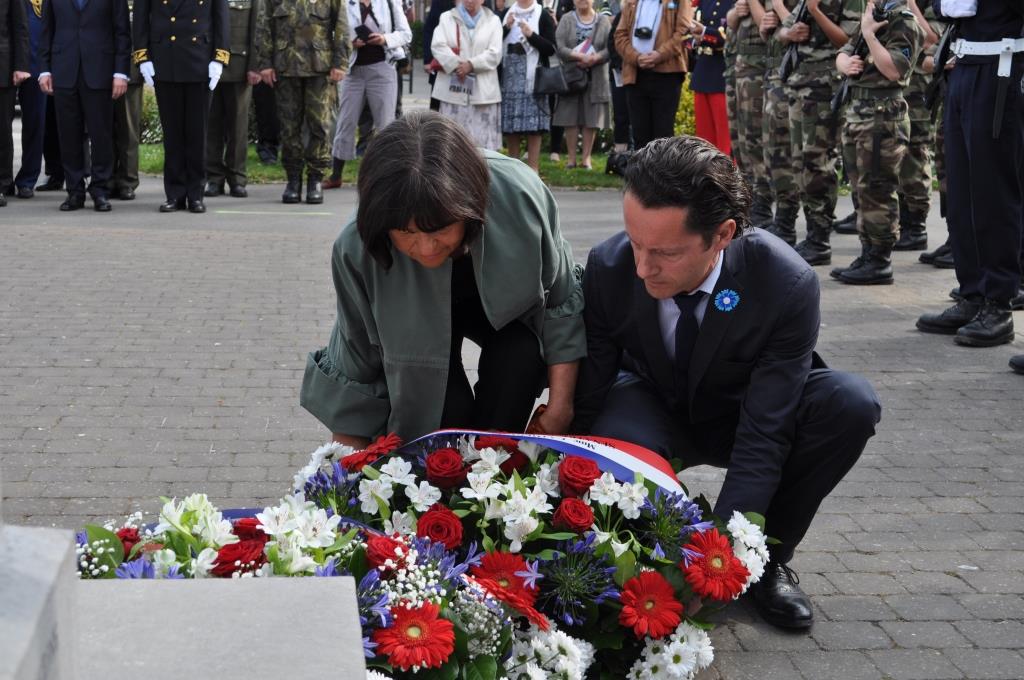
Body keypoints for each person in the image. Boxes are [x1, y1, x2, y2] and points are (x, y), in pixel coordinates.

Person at [572, 135, 880, 630]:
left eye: (666, 253)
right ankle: (636, 558)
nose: (642, 268)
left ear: (722, 235)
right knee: (616, 433)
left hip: (749, 413)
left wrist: (721, 561)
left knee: (849, 404)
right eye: (635, 242)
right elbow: (587, 402)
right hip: (654, 404)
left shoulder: (784, 283)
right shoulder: (609, 268)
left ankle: (764, 562)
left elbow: (765, 432)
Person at [300, 110, 586, 447]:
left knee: (519, 357)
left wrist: (560, 408)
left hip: (506, 317)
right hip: (413, 336)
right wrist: (350, 477)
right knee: (441, 408)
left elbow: (560, 301)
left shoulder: (521, 197)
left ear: (471, 208)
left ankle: (494, 462)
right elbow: (356, 358)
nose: (425, 248)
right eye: (405, 233)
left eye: (439, 230)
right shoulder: (357, 246)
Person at [916, 1, 1023, 349]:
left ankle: (998, 302)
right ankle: (973, 293)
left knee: (992, 192)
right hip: (963, 66)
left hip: (1001, 68)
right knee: (961, 192)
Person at [829, 2, 923, 286]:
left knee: (877, 189)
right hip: (859, 112)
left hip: (883, 115)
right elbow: (845, 49)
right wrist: (845, 63)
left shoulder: (904, 21)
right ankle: (868, 251)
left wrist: (870, 36)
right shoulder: (875, 15)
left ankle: (880, 259)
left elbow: (894, 69)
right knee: (861, 189)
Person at [777, 0, 858, 266]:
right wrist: (788, 33)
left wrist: (816, 12)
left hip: (824, 87)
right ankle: (813, 234)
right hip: (798, 84)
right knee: (800, 163)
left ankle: (820, 238)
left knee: (818, 162)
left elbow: (847, 40)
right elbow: (784, 29)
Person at [133, 0, 230, 213]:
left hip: (199, 61)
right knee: (173, 134)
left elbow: (221, 17)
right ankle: (174, 194)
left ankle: (196, 194)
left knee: (197, 134)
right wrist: (142, 56)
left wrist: (219, 57)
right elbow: (141, 17)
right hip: (165, 60)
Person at [38, 0, 130, 212]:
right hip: (64, 69)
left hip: (100, 70)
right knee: (68, 135)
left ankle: (100, 189)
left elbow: (122, 31)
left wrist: (120, 72)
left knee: (102, 134)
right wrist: (44, 69)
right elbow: (46, 29)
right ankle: (74, 190)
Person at [256, 0, 350, 204]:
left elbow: (341, 25)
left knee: (320, 126)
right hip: (286, 67)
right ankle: (293, 179)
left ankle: (315, 179)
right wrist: (265, 63)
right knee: (289, 127)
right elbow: (264, 26)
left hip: (320, 67)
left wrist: (340, 62)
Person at [324, 0, 411, 189]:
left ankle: (389, 176)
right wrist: (351, 43)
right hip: (352, 71)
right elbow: (331, 33)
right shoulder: (343, 3)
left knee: (386, 124)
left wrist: (384, 39)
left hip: (383, 69)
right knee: (345, 122)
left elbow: (406, 34)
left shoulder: (389, 2)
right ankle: (336, 175)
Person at [613, 0, 694, 150]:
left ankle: (662, 173)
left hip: (667, 75)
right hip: (636, 74)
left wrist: (659, 55)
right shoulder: (632, 2)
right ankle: (641, 173)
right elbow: (619, 35)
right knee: (639, 134)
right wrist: (636, 57)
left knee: (663, 135)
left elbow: (684, 32)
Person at [893, 0, 941, 252]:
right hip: (898, 83)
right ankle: (900, 218)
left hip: (920, 84)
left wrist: (911, 3)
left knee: (915, 151)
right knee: (895, 152)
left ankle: (916, 224)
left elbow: (932, 39)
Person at [205, 0, 263, 199]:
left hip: (239, 66)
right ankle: (214, 178)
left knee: (238, 128)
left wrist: (254, 66)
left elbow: (257, 27)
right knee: (212, 126)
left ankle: (237, 179)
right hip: (210, 66)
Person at [430, 0, 503, 151]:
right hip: (452, 90)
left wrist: (471, 64)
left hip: (483, 93)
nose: (470, 0)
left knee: (483, 146)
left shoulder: (493, 21)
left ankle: (484, 173)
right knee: (452, 142)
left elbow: (495, 53)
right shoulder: (447, 17)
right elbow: (438, 46)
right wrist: (458, 65)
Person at [727, 0, 774, 229]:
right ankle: (748, 198)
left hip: (759, 72)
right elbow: (731, 23)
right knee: (741, 144)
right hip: (740, 71)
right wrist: (736, 12)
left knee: (756, 142)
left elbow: (766, 25)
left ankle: (763, 203)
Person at [760, 0, 802, 245]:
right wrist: (769, 28)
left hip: (799, 80)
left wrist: (778, 7)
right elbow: (777, 35)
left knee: (793, 157)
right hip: (777, 77)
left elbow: (801, 29)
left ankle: (788, 223)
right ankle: (783, 220)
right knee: (774, 154)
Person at [553, 0, 611, 170]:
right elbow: (560, 46)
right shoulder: (566, 19)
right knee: (570, 117)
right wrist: (578, 56)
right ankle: (571, 159)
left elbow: (610, 48)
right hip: (572, 77)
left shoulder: (603, 21)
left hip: (596, 76)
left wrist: (595, 58)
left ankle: (586, 159)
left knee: (591, 119)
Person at [500, 0, 557, 172]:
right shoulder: (507, 13)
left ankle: (533, 169)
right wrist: (506, 28)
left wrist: (531, 36)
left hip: (533, 78)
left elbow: (551, 48)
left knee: (534, 127)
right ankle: (513, 169)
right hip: (509, 77)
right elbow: (495, 42)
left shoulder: (542, 14)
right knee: (511, 127)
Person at [110, 0, 144, 202]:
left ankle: (127, 181)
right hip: (101, 66)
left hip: (130, 70)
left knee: (128, 129)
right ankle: (106, 178)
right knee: (105, 129)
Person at [690, 0, 732, 155]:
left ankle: (726, 177)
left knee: (724, 139)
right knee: (703, 139)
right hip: (702, 72)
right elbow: (691, 30)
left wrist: (705, 32)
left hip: (722, 73)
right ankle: (706, 175)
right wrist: (695, 38)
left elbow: (730, 37)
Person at [12, 0, 43, 200]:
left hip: (36, 65)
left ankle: (27, 180)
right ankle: (4, 179)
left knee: (34, 126)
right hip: (8, 62)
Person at [0, 0, 30, 207]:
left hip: (2, 69)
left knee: (2, 130)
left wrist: (20, 66)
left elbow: (20, 27)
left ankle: (2, 183)